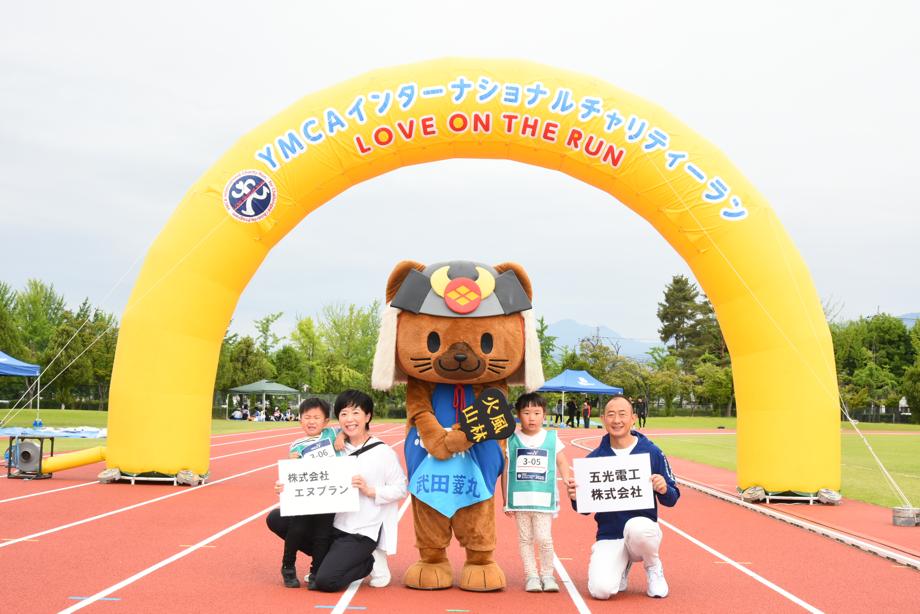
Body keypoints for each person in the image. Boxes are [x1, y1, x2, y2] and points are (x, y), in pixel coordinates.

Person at [565, 396, 679, 599]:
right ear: (602, 419)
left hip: (641, 531)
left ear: (633, 418)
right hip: (610, 534)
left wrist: (663, 489)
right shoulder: (594, 460)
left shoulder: (652, 452)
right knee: (601, 591)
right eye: (611, 415)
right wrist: (575, 497)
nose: (616, 420)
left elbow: (672, 498)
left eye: (622, 414)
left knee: (638, 528)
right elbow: (584, 510)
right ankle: (621, 566)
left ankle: (653, 567)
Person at [313, 389, 407, 592]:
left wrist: (370, 490)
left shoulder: (383, 452)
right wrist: (286, 487)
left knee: (326, 582)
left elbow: (401, 489)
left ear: (368, 416)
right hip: (333, 524)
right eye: (344, 413)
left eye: (356, 413)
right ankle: (327, 562)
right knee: (278, 519)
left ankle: (368, 562)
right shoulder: (333, 449)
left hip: (362, 530)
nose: (349, 419)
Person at [266, 398, 342, 588]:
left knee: (322, 534)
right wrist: (291, 464)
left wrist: (341, 438)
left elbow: (347, 431)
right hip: (305, 496)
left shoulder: (332, 433)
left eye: (316, 417)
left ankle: (316, 571)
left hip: (329, 496)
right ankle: (288, 566)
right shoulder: (297, 444)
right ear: (300, 420)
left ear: (326, 421)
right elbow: (293, 472)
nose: (311, 421)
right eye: (307, 417)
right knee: (296, 529)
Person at [502, 392, 572, 593]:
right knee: (525, 539)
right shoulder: (511, 440)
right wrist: (506, 500)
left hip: (543, 500)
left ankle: (547, 575)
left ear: (544, 415)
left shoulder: (551, 438)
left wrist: (567, 478)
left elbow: (562, 461)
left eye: (536, 413)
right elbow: (506, 471)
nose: (531, 418)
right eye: (526, 413)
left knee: (544, 538)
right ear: (518, 415)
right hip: (520, 500)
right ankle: (531, 575)